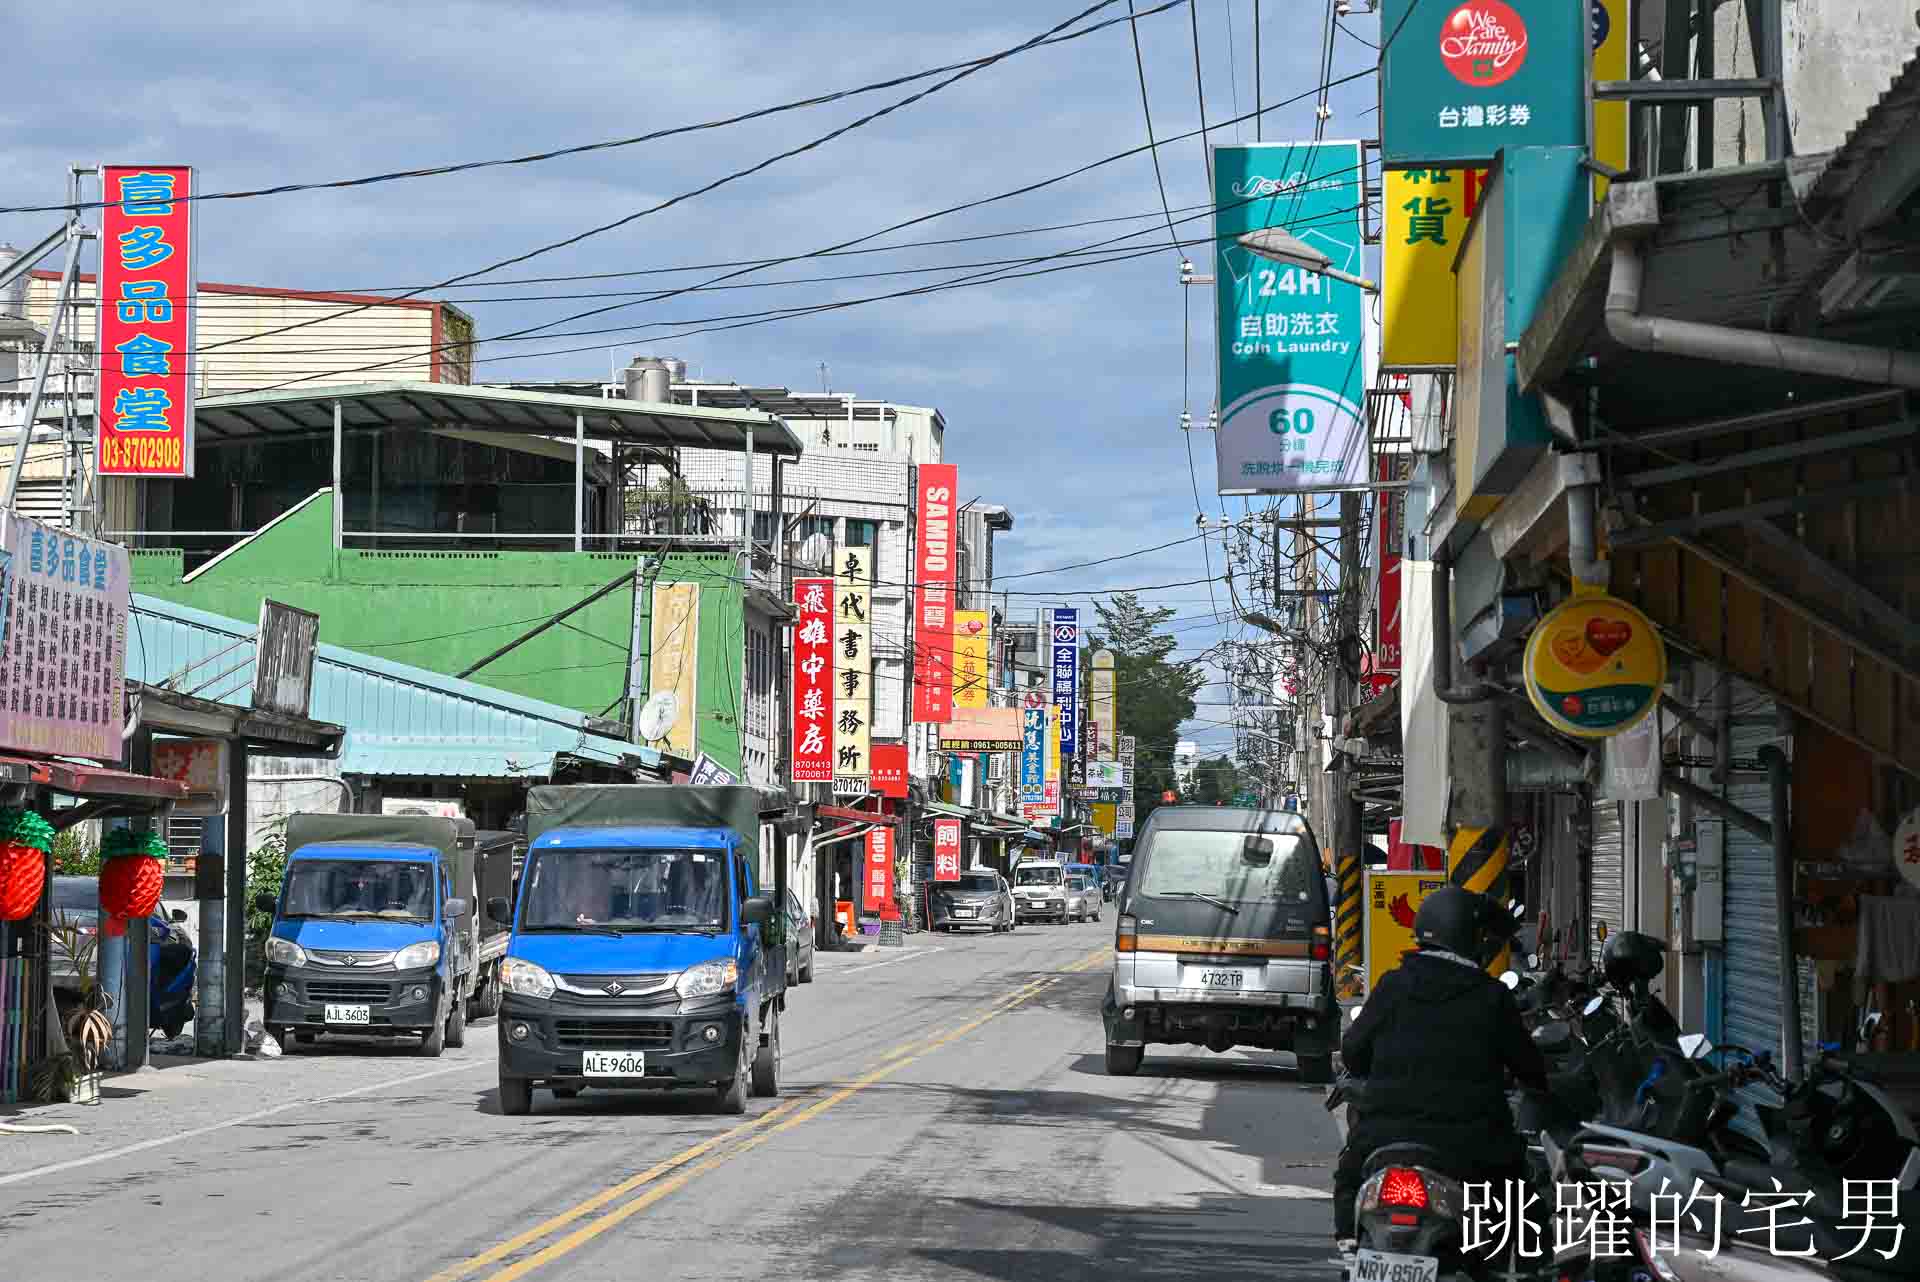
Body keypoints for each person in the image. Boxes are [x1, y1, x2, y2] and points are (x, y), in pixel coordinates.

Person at [1331, 885, 1548, 1253]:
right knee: (1521, 1191)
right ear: (1471, 940)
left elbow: (1353, 1052)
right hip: (1471, 1145)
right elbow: (1529, 1068)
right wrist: (1535, 1084)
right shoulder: (1491, 997)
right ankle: (1521, 1265)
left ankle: (1349, 1240)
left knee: (1350, 1171)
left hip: (1384, 1137)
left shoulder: (1392, 985)